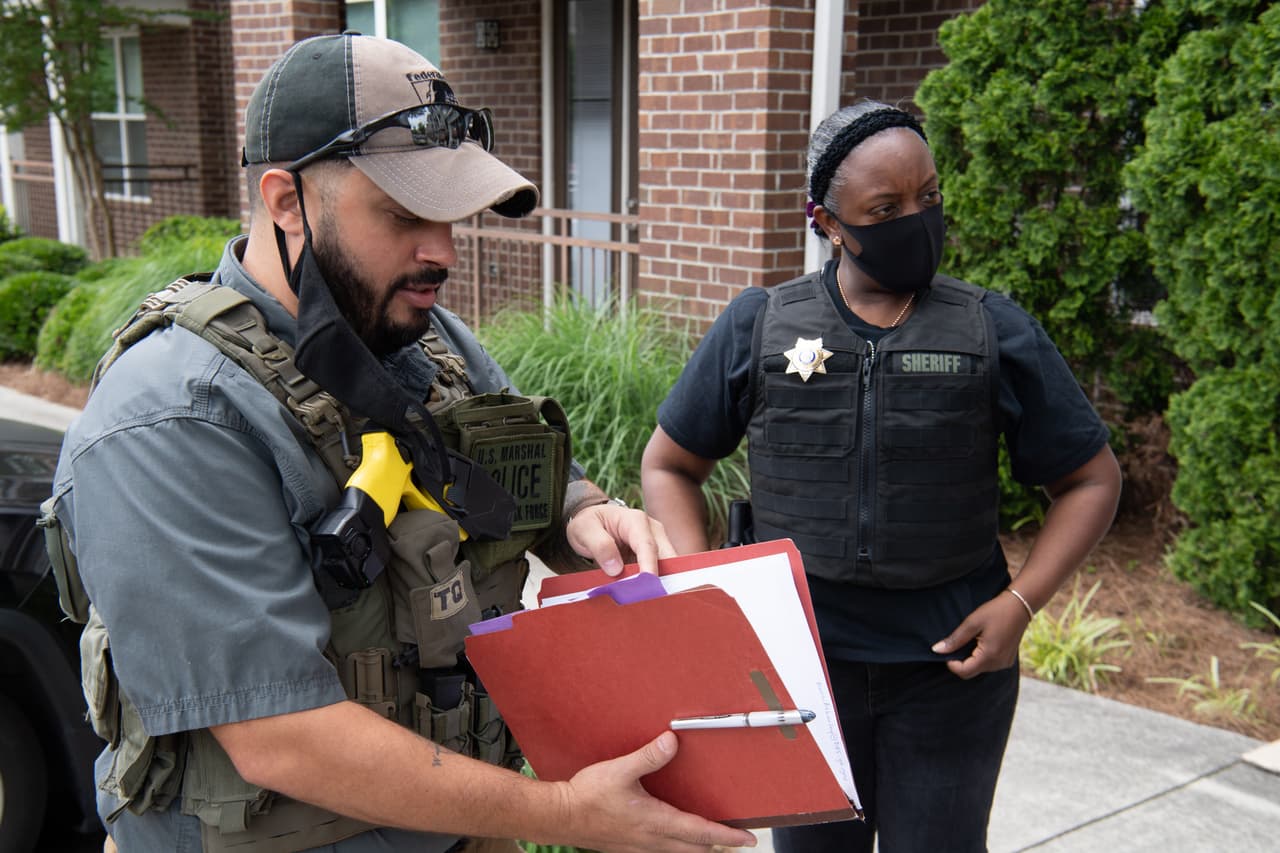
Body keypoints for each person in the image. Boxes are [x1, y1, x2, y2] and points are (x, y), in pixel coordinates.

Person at [43, 33, 759, 853]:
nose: (444, 252)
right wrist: (563, 814)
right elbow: (280, 733)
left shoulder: (420, 336)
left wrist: (586, 517)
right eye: (405, 215)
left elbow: (516, 472)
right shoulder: (173, 416)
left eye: (451, 216)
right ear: (286, 201)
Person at [640, 101, 1122, 852]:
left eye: (929, 197)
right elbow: (670, 463)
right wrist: (707, 592)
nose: (917, 219)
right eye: (885, 208)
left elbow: (1091, 479)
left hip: (950, 679)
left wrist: (1022, 604)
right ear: (827, 221)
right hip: (803, 681)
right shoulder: (761, 325)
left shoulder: (992, 330)